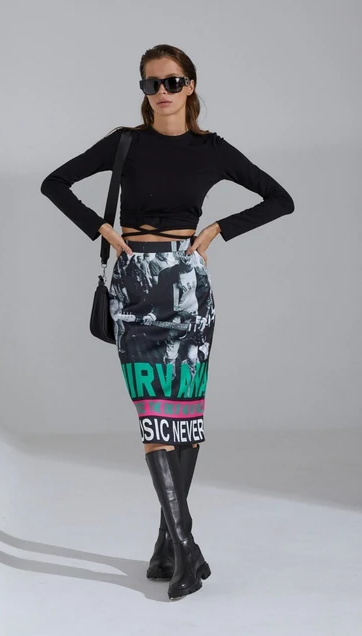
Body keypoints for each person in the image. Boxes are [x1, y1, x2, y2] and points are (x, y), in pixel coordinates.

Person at [40, 44, 294, 601]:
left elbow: (281, 199)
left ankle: (164, 548)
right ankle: (187, 549)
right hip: (134, 285)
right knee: (155, 412)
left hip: (188, 287)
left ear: (191, 86)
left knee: (186, 415)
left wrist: (217, 230)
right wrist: (101, 227)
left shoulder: (212, 149)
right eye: (152, 83)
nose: (162, 92)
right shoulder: (125, 143)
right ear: (144, 90)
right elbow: (54, 182)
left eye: (173, 82)